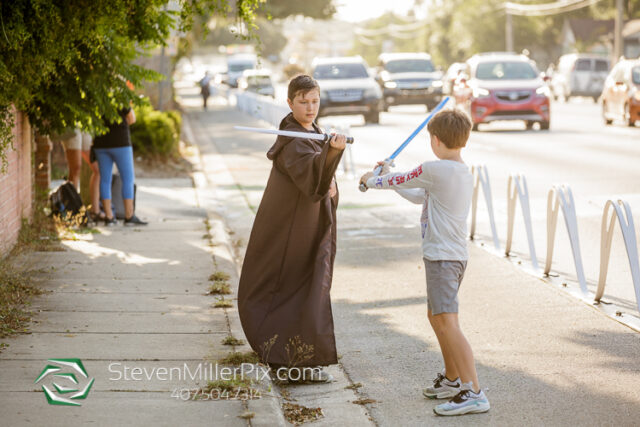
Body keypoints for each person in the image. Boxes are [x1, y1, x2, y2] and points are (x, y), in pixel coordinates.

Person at [359, 109, 490, 416]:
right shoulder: (453, 170)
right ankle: (452, 378)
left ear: (435, 140)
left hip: (444, 258)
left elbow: (398, 180)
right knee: (436, 316)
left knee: (447, 321)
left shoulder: (436, 168)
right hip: (445, 256)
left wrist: (373, 178)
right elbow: (418, 193)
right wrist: (388, 171)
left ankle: (474, 392)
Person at [237, 75, 347, 383]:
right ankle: (289, 362)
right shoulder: (292, 139)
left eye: (315, 101)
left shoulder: (312, 130)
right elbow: (312, 177)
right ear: (290, 103)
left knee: (307, 288)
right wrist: (332, 156)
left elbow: (322, 179)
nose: (310, 108)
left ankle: (300, 359)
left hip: (306, 227)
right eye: (303, 102)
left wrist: (332, 175)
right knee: (290, 289)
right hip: (289, 233)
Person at [92, 106, 147, 226]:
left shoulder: (96, 94)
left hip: (100, 142)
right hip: (120, 142)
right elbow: (132, 119)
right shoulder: (119, 95)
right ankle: (129, 216)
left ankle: (109, 217)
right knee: (127, 179)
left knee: (105, 180)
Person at [59, 130, 103, 221]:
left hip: (85, 125)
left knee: (98, 169)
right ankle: (72, 211)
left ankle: (95, 211)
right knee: (75, 169)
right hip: (72, 126)